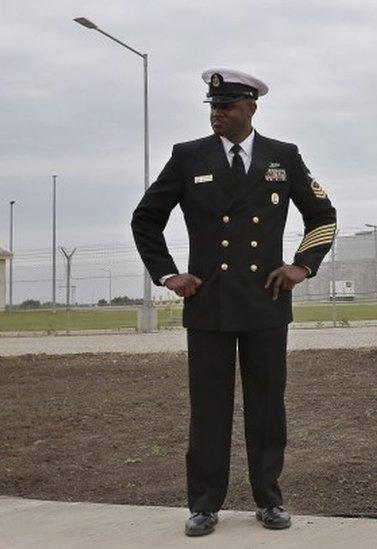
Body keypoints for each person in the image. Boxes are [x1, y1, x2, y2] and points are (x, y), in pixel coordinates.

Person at [131, 68, 336, 537]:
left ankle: (269, 500)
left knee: (267, 407)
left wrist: (302, 266)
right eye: (212, 107)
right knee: (209, 408)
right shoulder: (188, 157)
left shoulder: (283, 156)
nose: (216, 114)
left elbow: (323, 214)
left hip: (266, 301)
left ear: (251, 108)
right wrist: (168, 274)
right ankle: (203, 505)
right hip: (208, 304)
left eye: (225, 107)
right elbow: (145, 219)